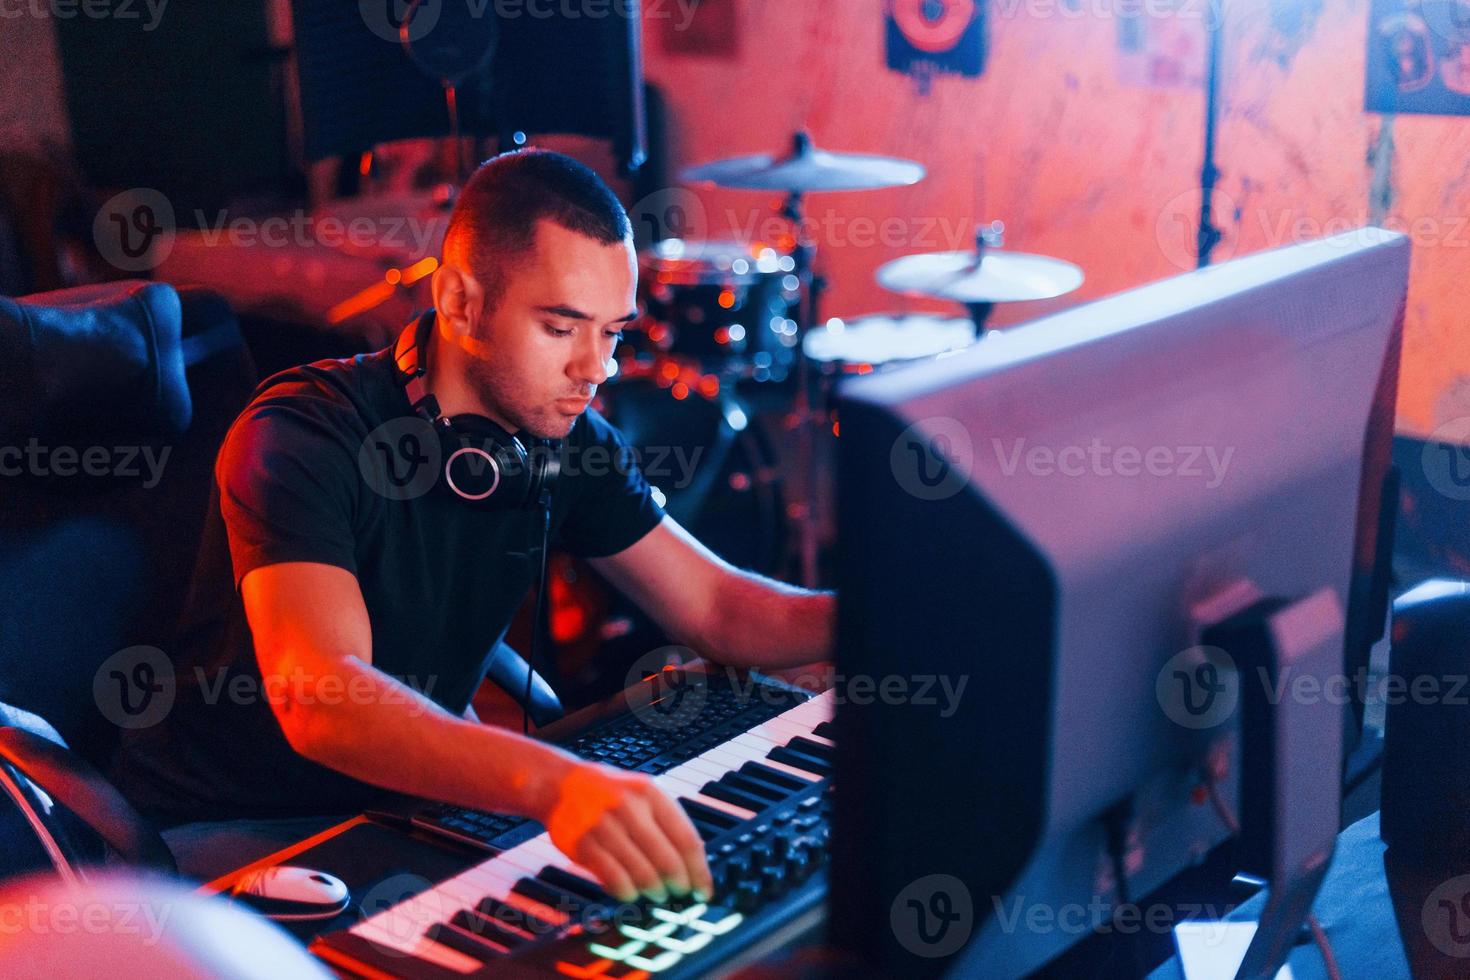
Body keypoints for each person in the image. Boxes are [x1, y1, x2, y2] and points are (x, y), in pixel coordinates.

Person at [113, 149, 834, 903]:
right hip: (227, 838)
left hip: (401, 807)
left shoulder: (561, 441)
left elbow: (719, 608)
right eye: (562, 328)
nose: (598, 369)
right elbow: (322, 699)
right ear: (459, 303)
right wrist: (554, 781)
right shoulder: (299, 433)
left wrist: (891, 620)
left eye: (613, 333)